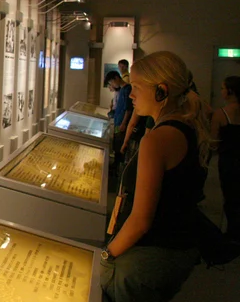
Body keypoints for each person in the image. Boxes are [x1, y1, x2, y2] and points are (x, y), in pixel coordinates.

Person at [101, 51, 211, 302]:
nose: (131, 95)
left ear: (161, 90)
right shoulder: (184, 126)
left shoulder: (158, 140)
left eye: (137, 87)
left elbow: (141, 219)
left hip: (149, 257)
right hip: (175, 250)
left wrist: (107, 256)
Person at [210, 76, 240, 242]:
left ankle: (233, 233)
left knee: (230, 197)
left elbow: (213, 142)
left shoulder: (221, 114)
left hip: (229, 162)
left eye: (223, 88)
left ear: (230, 91)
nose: (221, 91)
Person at [105, 71, 133, 171]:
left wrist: (124, 123)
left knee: (120, 146)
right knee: (117, 145)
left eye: (112, 82)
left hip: (121, 123)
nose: (112, 85)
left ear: (116, 78)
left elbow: (128, 109)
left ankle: (118, 168)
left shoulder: (127, 89)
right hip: (118, 122)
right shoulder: (122, 90)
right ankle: (116, 166)